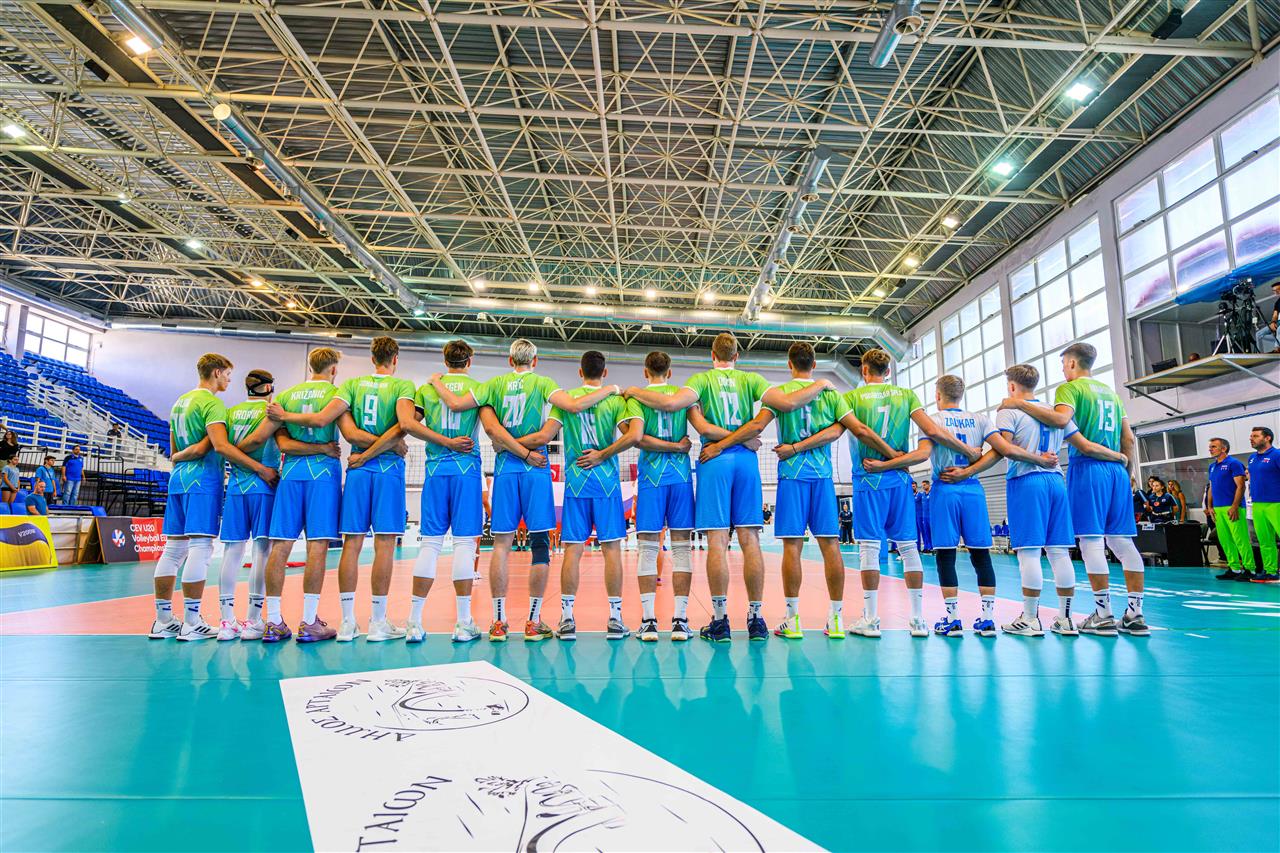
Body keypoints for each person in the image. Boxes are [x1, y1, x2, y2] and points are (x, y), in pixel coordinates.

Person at [625, 332, 835, 642]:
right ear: (736, 356)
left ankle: (721, 620)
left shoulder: (700, 380)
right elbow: (788, 403)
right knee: (750, 539)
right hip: (746, 462)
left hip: (714, 460)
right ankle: (756, 618)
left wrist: (633, 391)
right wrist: (820, 383)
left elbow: (677, 409)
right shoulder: (751, 379)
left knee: (717, 541)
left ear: (712, 355)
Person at [429, 338, 617, 641]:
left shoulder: (494, 385)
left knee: (501, 545)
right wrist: (610, 389)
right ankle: (533, 621)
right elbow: (570, 407)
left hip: (505, 469)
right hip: (536, 469)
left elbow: (474, 417)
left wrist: (437, 381)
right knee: (540, 544)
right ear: (535, 361)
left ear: (509, 361)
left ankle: (498, 622)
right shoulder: (543, 383)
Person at [787, 348, 979, 638]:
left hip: (868, 480)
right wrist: (968, 452)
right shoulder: (906, 395)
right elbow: (934, 432)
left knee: (869, 548)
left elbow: (845, 432)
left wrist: (796, 447)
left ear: (864, 371)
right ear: (888, 372)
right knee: (909, 548)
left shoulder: (852, 397)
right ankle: (918, 621)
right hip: (900, 479)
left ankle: (871, 619)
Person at [701, 341, 866, 639]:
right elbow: (842, 429)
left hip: (792, 475)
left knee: (792, 547)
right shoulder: (831, 394)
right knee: (831, 545)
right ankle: (837, 619)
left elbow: (756, 428)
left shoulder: (781, 394)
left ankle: (792, 619)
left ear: (790, 365)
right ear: (813, 365)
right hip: (823, 475)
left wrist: (723, 445)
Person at [953, 363, 1127, 636]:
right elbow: (1083, 444)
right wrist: (1119, 456)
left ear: (1012, 386)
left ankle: (1030, 618)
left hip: (1027, 481)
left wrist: (969, 470)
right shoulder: (1054, 412)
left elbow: (1003, 449)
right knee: (1059, 552)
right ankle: (1066, 619)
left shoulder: (1009, 411)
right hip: (1057, 481)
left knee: (1029, 552)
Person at [999, 342, 1149, 636]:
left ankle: (1103, 614)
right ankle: (1135, 613)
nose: (1062, 369)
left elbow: (1062, 422)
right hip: (1118, 472)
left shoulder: (1069, 390)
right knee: (1122, 543)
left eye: (1063, 364)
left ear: (1071, 363)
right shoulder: (1111, 394)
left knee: (1090, 542)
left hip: (1088, 469)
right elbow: (1129, 440)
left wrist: (1017, 403)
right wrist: (1126, 470)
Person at [271, 337, 414, 642]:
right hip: (384, 469)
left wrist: (363, 454)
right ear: (395, 359)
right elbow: (402, 426)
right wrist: (386, 447)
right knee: (384, 545)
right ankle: (378, 622)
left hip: (353, 470)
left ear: (372, 357)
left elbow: (349, 434)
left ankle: (347, 622)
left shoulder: (350, 386)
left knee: (351, 544)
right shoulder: (403, 386)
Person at [148, 353, 279, 641]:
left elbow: (175, 451)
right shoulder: (213, 405)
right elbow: (218, 447)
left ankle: (163, 620)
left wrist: (179, 456)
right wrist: (261, 468)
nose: (229, 380)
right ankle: (192, 621)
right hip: (203, 481)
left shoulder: (180, 403)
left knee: (173, 550)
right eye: (227, 374)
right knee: (201, 547)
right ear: (217, 372)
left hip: (178, 480)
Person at [863, 374, 1004, 637]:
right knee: (981, 556)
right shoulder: (981, 419)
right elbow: (1000, 450)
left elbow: (922, 454)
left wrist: (886, 464)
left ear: (937, 395)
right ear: (961, 394)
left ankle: (953, 619)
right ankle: (988, 620)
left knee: (946, 556)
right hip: (973, 489)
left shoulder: (933, 420)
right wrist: (969, 470)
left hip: (945, 489)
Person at [520, 351, 641, 640]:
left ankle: (566, 619)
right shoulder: (615, 401)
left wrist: (507, 443)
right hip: (607, 483)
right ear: (605, 373)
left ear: (580, 372)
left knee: (572, 550)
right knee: (612, 550)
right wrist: (604, 454)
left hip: (576, 483)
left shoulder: (566, 400)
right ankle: (615, 619)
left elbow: (545, 436)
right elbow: (631, 436)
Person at [259, 348, 365, 643]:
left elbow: (280, 443)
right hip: (322, 475)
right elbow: (349, 434)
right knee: (317, 546)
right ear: (334, 369)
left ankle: (273, 621)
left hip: (291, 474)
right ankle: (308, 621)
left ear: (310, 366)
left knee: (280, 546)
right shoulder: (336, 395)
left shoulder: (286, 396)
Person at [399, 340, 493, 643]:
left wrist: (440, 439)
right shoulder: (479, 388)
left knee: (430, 544)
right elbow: (491, 428)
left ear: (445, 359)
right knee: (465, 544)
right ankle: (464, 623)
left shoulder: (426, 389)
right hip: (466, 471)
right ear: (470, 361)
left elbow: (410, 425)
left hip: (435, 470)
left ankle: (414, 623)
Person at [623, 351, 695, 641]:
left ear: (645, 371)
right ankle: (680, 620)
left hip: (651, 478)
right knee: (682, 550)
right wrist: (677, 447)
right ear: (670, 371)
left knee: (647, 549)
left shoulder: (635, 399)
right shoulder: (683, 396)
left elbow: (638, 438)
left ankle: (649, 621)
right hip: (680, 477)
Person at [210, 369, 283, 640]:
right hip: (264, 486)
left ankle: (226, 621)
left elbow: (224, 447)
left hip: (236, 487)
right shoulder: (272, 411)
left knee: (232, 552)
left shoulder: (230, 413)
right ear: (268, 388)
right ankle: (253, 620)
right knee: (262, 551)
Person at [1206, 437, 1256, 580]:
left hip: (1233, 507)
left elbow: (1240, 486)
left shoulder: (1233, 463)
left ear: (1224, 448)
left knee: (1240, 539)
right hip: (1218, 509)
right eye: (1210, 447)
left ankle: (1250, 569)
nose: (1210, 449)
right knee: (1225, 540)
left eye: (1214, 446)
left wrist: (1234, 506)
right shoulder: (1212, 466)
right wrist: (1210, 506)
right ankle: (1234, 569)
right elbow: (1212, 487)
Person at [1247, 426, 1279, 582]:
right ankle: (1271, 571)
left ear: (1267, 438)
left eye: (1255, 436)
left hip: (1276, 503)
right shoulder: (1252, 458)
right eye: (1251, 436)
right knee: (1265, 540)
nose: (1251, 438)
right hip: (1258, 505)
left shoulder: (1277, 455)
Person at [1254, 281, 1280, 353]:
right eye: (1274, 291)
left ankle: (1277, 349)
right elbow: (1275, 315)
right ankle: (1261, 354)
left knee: (1279, 329)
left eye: (1277, 290)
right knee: (1258, 334)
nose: (1276, 292)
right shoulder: (1278, 303)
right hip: (1278, 323)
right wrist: (1273, 322)